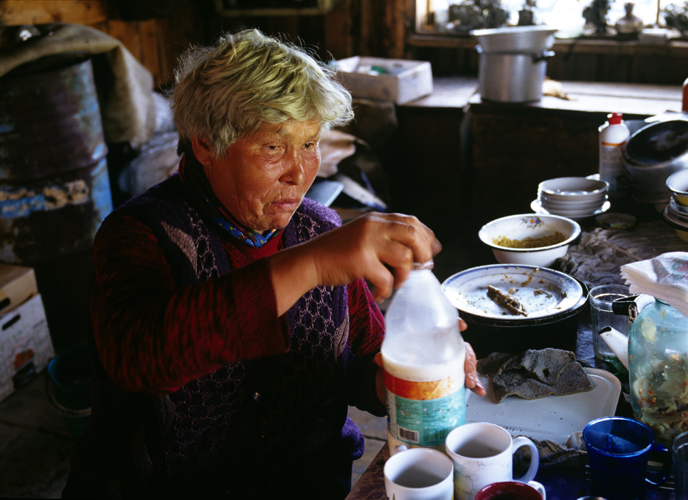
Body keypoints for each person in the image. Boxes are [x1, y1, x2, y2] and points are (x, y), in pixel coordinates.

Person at [62, 30, 484, 499]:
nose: (299, 172)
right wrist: (312, 266)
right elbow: (143, 357)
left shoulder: (318, 231)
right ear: (205, 145)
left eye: (309, 144)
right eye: (272, 147)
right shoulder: (141, 236)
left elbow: (362, 361)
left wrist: (406, 378)